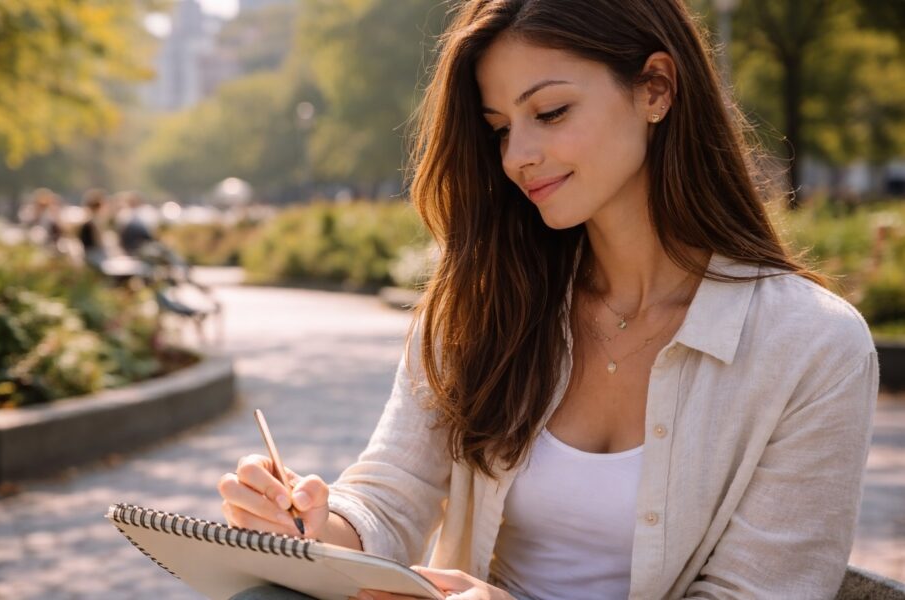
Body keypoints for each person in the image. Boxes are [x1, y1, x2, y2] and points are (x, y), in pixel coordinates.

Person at [219, 1, 879, 598]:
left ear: (656, 88)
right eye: (500, 128)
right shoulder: (483, 302)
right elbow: (392, 497)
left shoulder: (813, 346)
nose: (518, 157)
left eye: (551, 112)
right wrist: (313, 520)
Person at [78, 188, 109, 268]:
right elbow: (98, 241)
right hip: (94, 256)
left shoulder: (87, 219)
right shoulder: (94, 221)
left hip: (90, 254)